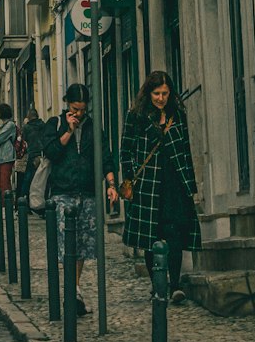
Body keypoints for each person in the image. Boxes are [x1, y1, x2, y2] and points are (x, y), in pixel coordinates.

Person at [120, 71, 200, 305]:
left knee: (175, 234)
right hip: (147, 184)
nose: (161, 98)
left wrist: (190, 183)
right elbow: (126, 150)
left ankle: (175, 285)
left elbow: (186, 149)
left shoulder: (177, 113)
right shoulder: (136, 115)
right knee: (150, 238)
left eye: (165, 93)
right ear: (148, 93)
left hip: (174, 183)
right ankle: (158, 285)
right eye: (157, 93)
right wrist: (130, 179)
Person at [43, 82, 119, 317]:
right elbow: (51, 152)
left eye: (82, 110)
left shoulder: (93, 127)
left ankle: (73, 290)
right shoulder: (54, 125)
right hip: (62, 191)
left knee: (82, 247)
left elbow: (105, 156)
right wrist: (68, 130)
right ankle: (72, 291)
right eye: (75, 109)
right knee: (66, 245)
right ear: (67, 104)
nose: (78, 113)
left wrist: (111, 184)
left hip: (87, 193)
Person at [16, 107, 45, 202]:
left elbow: (23, 140)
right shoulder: (43, 125)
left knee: (28, 179)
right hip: (44, 154)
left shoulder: (27, 127)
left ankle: (24, 201)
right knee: (44, 178)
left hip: (32, 154)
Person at [0, 102, 18, 194]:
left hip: (7, 157)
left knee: (5, 181)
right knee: (0, 182)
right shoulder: (4, 125)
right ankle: (2, 203)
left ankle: (6, 204)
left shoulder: (10, 125)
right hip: (1, 157)